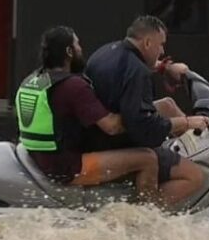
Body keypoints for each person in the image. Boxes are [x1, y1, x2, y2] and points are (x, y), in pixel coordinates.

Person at [15, 26, 159, 197]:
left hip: (39, 158)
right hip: (66, 168)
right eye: (77, 44)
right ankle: (149, 216)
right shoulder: (73, 86)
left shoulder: (34, 79)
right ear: (69, 51)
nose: (81, 49)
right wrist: (144, 119)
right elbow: (112, 126)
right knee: (148, 159)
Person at [84, 15, 209, 207]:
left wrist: (165, 67)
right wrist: (187, 122)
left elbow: (126, 72)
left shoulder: (106, 51)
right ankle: (148, 216)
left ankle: (197, 146)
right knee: (194, 176)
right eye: (161, 45)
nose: (162, 50)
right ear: (148, 42)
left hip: (94, 132)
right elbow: (144, 130)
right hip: (114, 145)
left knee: (167, 104)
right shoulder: (138, 73)